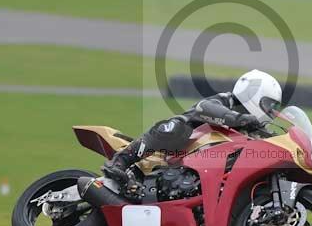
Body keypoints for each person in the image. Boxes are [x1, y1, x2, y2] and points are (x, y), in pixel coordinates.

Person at [103, 69, 283, 191]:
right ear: (253, 93)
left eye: (274, 107)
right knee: (175, 127)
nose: (270, 111)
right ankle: (121, 161)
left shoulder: (254, 128)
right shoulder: (226, 101)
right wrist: (241, 119)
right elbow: (205, 108)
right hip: (177, 150)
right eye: (269, 104)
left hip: (204, 172)